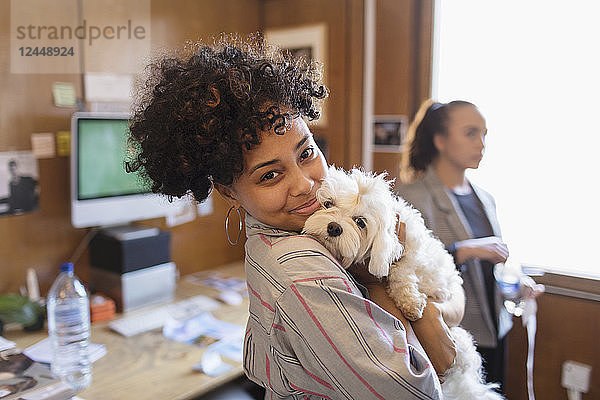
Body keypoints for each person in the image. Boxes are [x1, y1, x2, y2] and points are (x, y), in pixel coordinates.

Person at [126, 37, 459, 399]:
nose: (305, 185)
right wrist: (383, 284)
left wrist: (434, 312)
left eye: (306, 152)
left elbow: (453, 290)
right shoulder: (302, 270)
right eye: (270, 175)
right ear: (228, 191)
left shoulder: (287, 231)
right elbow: (418, 393)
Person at [397, 99, 542, 393]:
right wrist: (465, 250)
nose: (482, 144)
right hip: (451, 334)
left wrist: (516, 285)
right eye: (471, 133)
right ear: (440, 140)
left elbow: (494, 265)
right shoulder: (412, 198)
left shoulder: (486, 198)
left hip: (495, 330)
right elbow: (405, 266)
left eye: (485, 134)